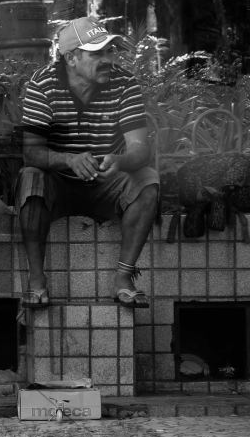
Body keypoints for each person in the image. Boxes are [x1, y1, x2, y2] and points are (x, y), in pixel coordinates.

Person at [16, 16, 160, 308]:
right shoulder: (43, 84)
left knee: (148, 181)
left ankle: (124, 279)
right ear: (71, 58)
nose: (108, 59)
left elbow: (140, 149)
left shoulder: (125, 83)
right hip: (58, 182)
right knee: (30, 178)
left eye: (110, 51)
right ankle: (36, 281)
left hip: (107, 181)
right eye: (97, 53)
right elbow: (32, 153)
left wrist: (120, 161)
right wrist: (68, 160)